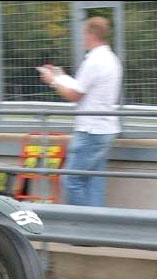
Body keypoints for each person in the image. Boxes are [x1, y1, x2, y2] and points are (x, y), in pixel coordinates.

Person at [38, 17, 122, 207]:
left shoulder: (93, 61)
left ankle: (81, 221)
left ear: (91, 34)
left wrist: (52, 80)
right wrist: (60, 76)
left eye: (84, 33)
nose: (82, 38)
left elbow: (74, 95)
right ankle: (95, 223)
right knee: (93, 182)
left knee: (71, 180)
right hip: (105, 129)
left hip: (90, 130)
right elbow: (82, 88)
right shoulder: (111, 59)